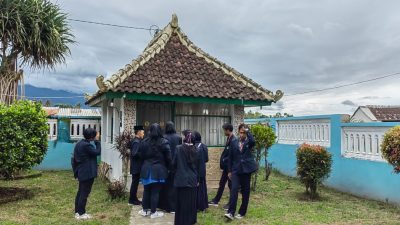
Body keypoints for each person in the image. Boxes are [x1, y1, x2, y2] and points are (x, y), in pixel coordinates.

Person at [138, 123, 172, 219]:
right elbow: (169, 158)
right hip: (158, 170)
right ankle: (153, 212)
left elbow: (141, 156)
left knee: (146, 190)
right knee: (155, 192)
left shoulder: (144, 141)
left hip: (146, 169)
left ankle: (145, 210)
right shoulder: (164, 142)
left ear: (150, 131)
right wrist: (170, 168)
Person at [224, 124, 257, 220]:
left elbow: (253, 141)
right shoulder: (233, 142)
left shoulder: (249, 142)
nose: (242, 134)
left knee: (245, 192)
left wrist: (248, 131)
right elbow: (230, 157)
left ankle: (242, 212)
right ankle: (230, 212)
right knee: (234, 190)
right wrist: (229, 171)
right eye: (241, 132)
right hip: (236, 170)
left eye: (244, 133)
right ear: (238, 132)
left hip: (246, 171)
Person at [73, 128, 101, 220]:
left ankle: (77, 212)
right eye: (96, 135)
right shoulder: (86, 146)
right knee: (84, 193)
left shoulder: (80, 143)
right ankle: (81, 213)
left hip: (82, 171)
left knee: (80, 192)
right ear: (92, 137)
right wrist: (97, 141)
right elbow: (97, 152)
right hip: (87, 172)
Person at [173, 132, 200, 225]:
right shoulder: (197, 150)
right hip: (192, 180)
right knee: (191, 203)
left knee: (180, 203)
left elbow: (174, 164)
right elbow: (198, 167)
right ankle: (190, 221)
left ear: (184, 139)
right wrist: (198, 180)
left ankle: (180, 222)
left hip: (180, 179)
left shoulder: (178, 148)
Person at [209, 123, 236, 209]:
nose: (223, 132)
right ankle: (216, 200)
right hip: (226, 167)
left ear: (228, 130)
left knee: (231, 185)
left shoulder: (233, 140)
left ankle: (230, 204)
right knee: (222, 183)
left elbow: (232, 155)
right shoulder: (229, 138)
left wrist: (229, 168)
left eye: (224, 130)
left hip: (230, 168)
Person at [159, 121, 182, 213]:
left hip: (165, 164)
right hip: (175, 164)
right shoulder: (179, 137)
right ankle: (173, 207)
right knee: (174, 186)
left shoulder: (163, 137)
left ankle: (164, 205)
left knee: (164, 185)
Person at [128, 125, 145, 205]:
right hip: (136, 166)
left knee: (135, 183)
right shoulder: (136, 142)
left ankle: (133, 198)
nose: (143, 133)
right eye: (142, 132)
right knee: (135, 183)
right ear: (138, 132)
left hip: (136, 166)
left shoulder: (136, 140)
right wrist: (143, 154)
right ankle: (132, 200)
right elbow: (134, 153)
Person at [193, 131, 209, 212]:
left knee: (195, 189)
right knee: (202, 188)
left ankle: (195, 206)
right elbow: (206, 159)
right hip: (202, 170)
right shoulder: (204, 146)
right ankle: (203, 206)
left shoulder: (192, 147)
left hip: (194, 171)